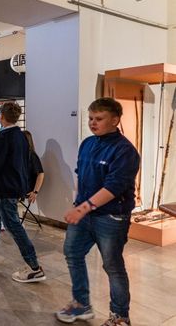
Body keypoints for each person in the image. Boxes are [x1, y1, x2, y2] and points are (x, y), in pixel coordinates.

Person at [56, 98, 140, 326]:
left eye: (99, 119)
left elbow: (114, 187)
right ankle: (81, 304)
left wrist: (83, 208)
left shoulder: (125, 151)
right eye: (91, 118)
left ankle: (120, 316)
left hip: (111, 217)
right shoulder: (87, 143)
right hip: (84, 214)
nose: (93, 123)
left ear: (115, 120)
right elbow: (81, 174)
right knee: (72, 253)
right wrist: (78, 203)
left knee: (112, 266)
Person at [0, 102, 46, 283]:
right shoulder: (21, 137)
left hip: (3, 188)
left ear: (1, 116)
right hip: (13, 187)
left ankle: (34, 267)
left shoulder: (0, 138)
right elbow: (23, 165)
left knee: (13, 226)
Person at [23, 130, 45, 204]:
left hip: (25, 188)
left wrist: (35, 192)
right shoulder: (21, 155)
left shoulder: (32, 155)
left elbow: (40, 173)